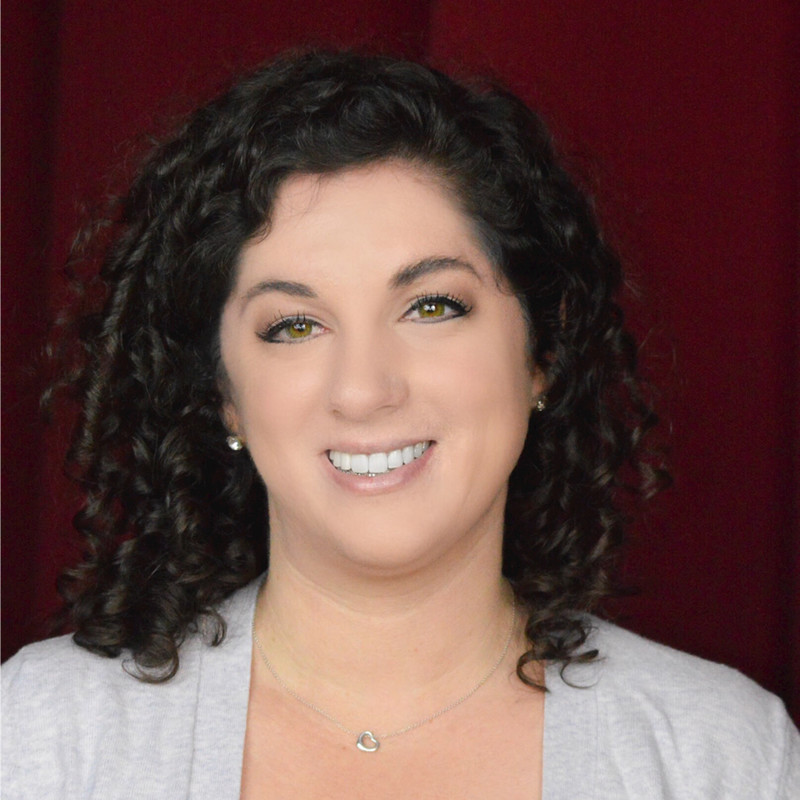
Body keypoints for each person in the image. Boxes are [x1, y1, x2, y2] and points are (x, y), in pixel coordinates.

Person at [2, 50, 797, 799]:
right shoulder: (46, 736)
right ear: (224, 395)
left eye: (431, 306)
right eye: (293, 325)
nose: (364, 388)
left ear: (540, 354)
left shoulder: (719, 755)